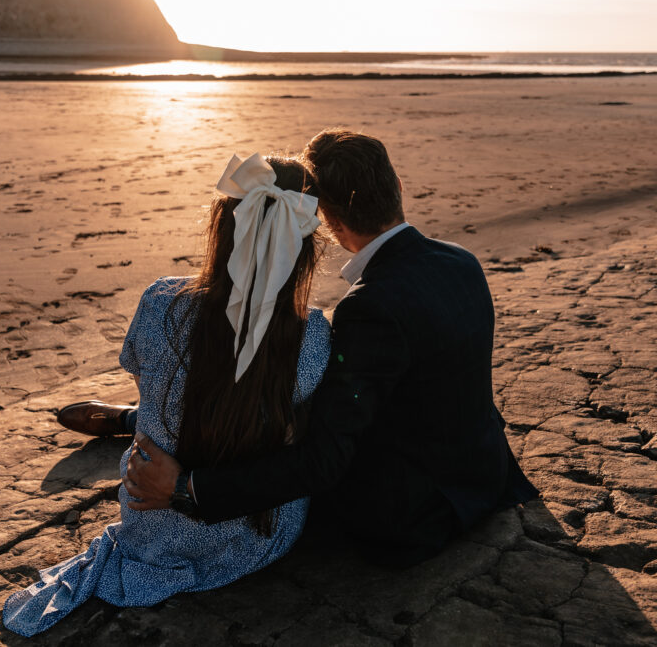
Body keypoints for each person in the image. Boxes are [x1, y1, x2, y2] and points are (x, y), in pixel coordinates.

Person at [122, 130, 539, 568]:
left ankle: (138, 420)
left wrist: (190, 489)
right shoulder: (461, 261)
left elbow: (324, 460)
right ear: (397, 187)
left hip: (417, 512)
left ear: (329, 220)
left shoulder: (369, 308)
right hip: (484, 473)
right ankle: (129, 418)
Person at [2, 153, 330, 636]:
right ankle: (122, 421)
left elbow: (157, 392)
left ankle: (124, 421)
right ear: (303, 249)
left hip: (150, 527)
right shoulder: (313, 337)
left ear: (221, 230)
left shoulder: (160, 303)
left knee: (158, 411)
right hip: (253, 537)